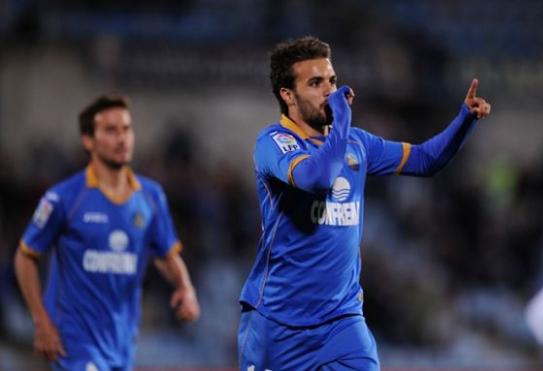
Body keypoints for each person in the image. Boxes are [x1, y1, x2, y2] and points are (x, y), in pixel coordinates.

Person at [238, 35, 491, 370]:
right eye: (315, 83)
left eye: (332, 81)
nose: (329, 91)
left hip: (341, 322)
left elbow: (426, 160)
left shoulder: (357, 143)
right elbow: (318, 178)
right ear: (288, 95)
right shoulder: (274, 142)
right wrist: (341, 117)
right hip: (277, 323)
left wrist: (464, 119)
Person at [14, 95, 200, 371]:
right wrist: (41, 321)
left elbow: (164, 254)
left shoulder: (150, 197)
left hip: (122, 343)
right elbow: (25, 256)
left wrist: (185, 287)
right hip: (73, 342)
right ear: (88, 140)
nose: (122, 138)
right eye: (110, 131)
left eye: (126, 129)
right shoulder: (65, 198)